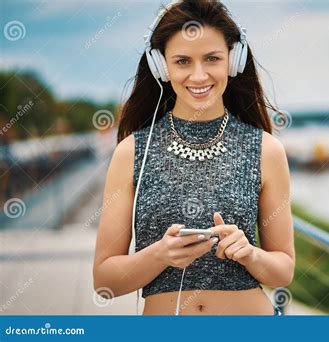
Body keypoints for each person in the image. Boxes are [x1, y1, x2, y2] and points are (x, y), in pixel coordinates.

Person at [93, 0, 294, 315]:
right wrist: (161, 254)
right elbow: (104, 281)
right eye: (183, 61)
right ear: (161, 66)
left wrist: (250, 254)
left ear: (233, 60)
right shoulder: (131, 152)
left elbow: (283, 271)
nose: (199, 76)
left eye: (212, 58)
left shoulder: (266, 150)